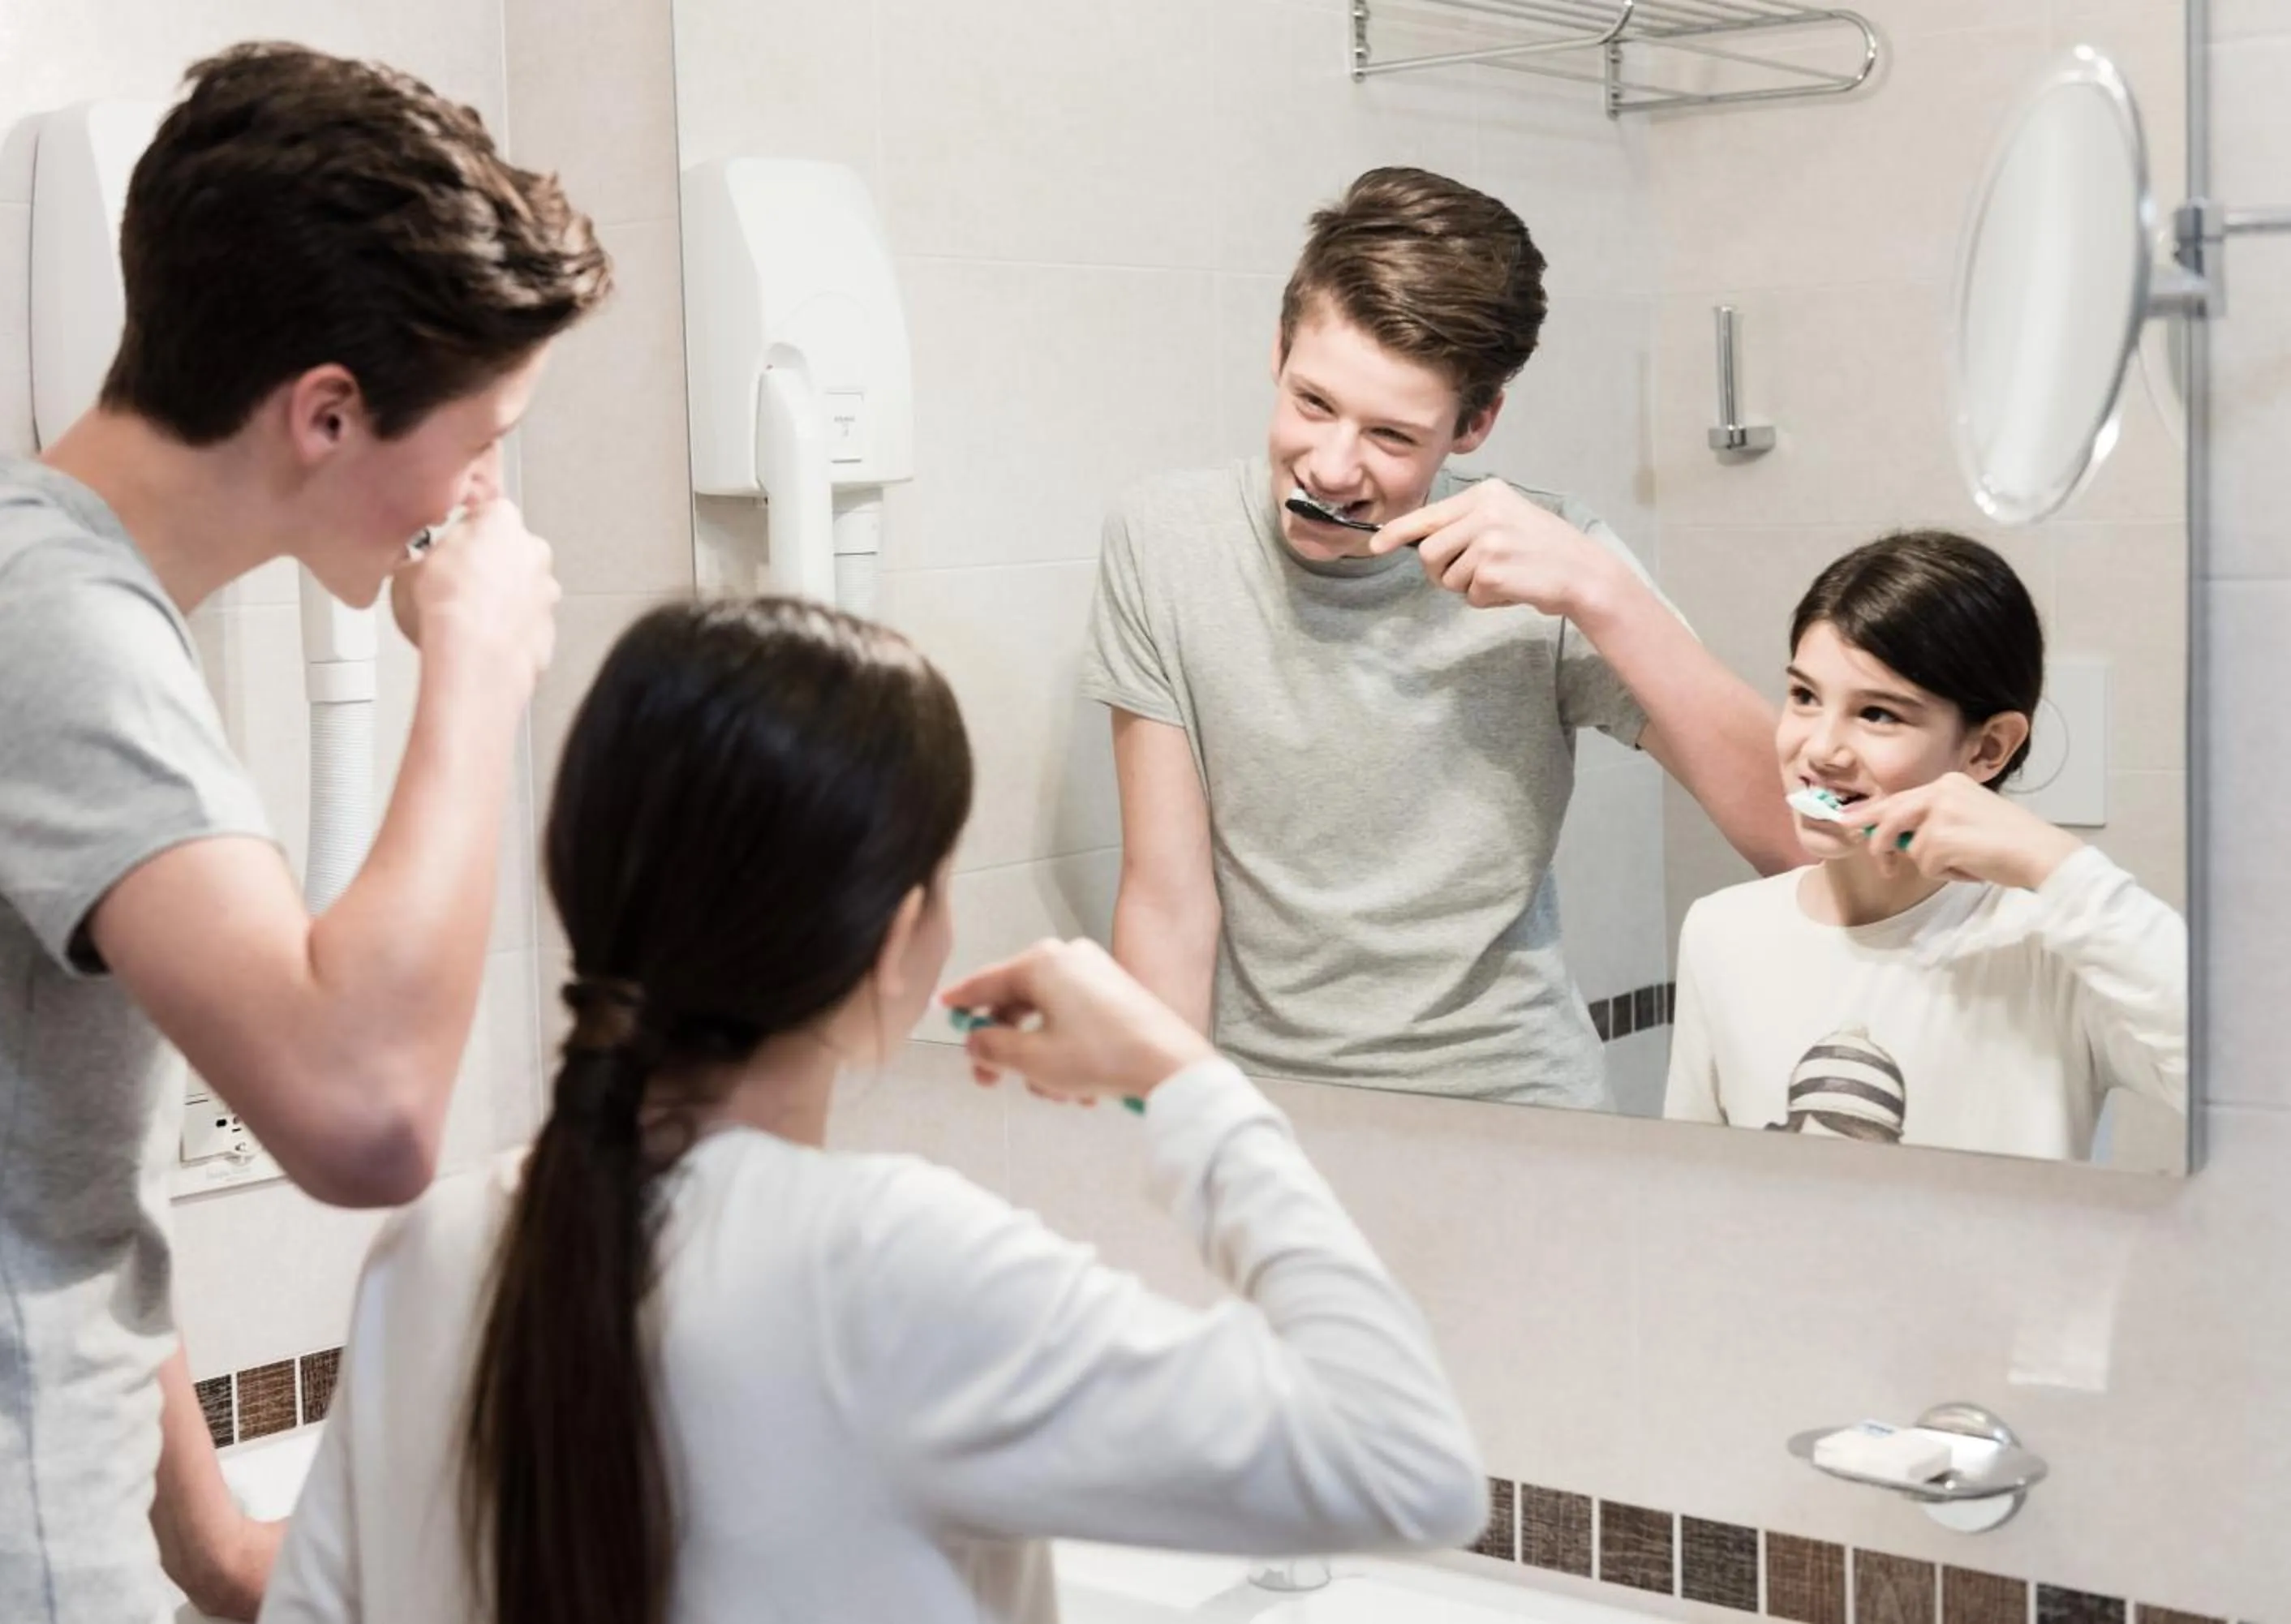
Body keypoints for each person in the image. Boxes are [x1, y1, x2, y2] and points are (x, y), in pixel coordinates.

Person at [258, 599, 1486, 1624]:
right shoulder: (889, 1268)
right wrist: (1185, 1081)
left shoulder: (429, 1252)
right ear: (900, 937)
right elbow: (1408, 1462)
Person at [0, 42, 611, 1624]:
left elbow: (30, 1171)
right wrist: (475, 670)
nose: (484, 492)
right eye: (481, 438)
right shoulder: (58, 636)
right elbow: (366, 1116)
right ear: (328, 412)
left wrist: (209, 1544)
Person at [1081, 165, 1801, 1110]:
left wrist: (1600, 593)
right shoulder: (1164, 545)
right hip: (1275, 1115)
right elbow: (1168, 904)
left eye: (1390, 435)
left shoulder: (1554, 564)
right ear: (1278, 349)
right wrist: (1163, 1142)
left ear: (1476, 423)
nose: (1332, 467)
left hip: (1520, 1118)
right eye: (1312, 403)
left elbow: (1793, 833)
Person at [1663, 531, 2186, 1159]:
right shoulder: (1722, 933)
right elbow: (1693, 1183)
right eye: (1804, 696)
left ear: (1988, 748)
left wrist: (2055, 865)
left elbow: (2253, 1080)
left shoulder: (2050, 948)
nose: (1820, 750)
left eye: (1878, 714)